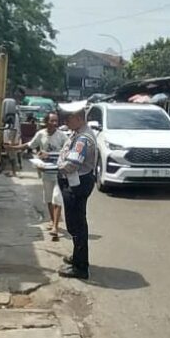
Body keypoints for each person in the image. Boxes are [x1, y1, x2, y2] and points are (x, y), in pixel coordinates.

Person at [57, 101, 99, 279]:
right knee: (75, 223)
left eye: (69, 117)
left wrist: (55, 167)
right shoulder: (78, 133)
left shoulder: (82, 139)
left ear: (79, 118)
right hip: (77, 182)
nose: (66, 121)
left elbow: (72, 163)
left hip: (77, 184)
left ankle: (80, 267)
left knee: (77, 224)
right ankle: (77, 257)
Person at [22, 112, 69, 240]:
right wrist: (14, 147)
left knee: (57, 199)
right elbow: (30, 145)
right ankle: (53, 221)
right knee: (48, 199)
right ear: (46, 122)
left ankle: (55, 227)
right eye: (52, 121)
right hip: (45, 173)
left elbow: (67, 152)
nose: (55, 123)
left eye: (56, 121)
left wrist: (50, 155)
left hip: (59, 174)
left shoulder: (62, 137)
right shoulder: (41, 134)